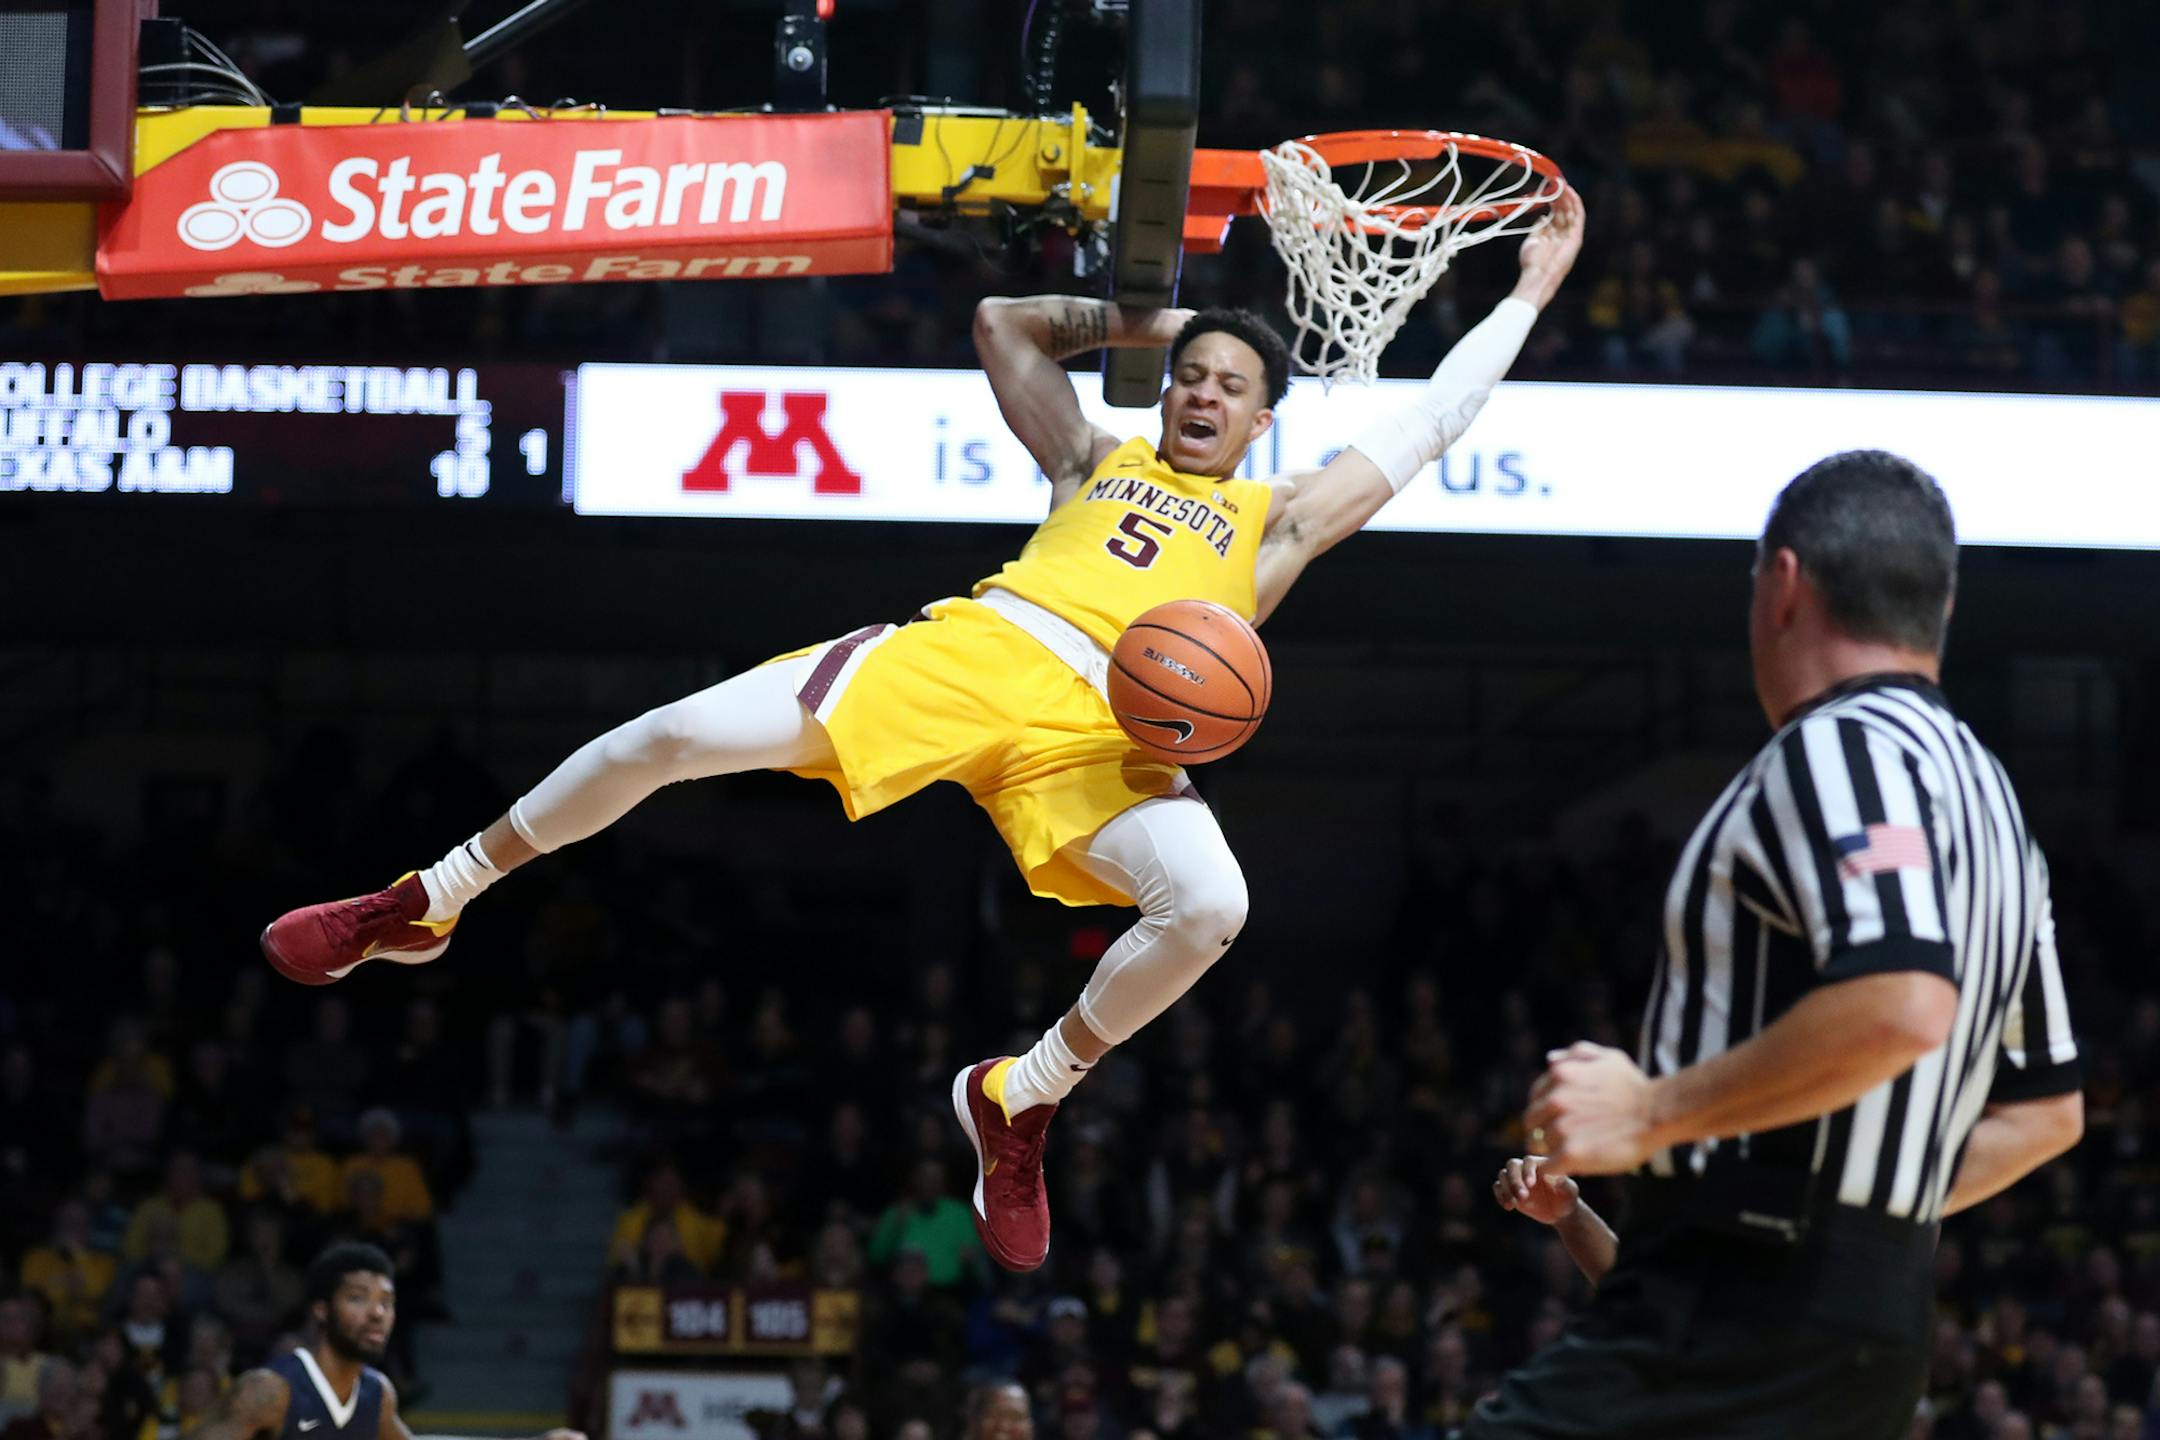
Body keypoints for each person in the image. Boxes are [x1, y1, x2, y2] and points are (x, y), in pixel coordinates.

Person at [260, 193, 1588, 1273]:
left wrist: (1527, 292)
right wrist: (1155, 312)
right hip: (976, 655)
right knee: (669, 736)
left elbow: (1430, 421)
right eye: (1188, 376)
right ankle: (428, 898)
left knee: (1213, 904)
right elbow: (1005, 321)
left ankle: (1022, 1093)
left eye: (1230, 384)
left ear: (1260, 418)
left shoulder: (1279, 524)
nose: (1200, 394)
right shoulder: (1095, 459)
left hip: (1106, 740)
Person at [1466, 451, 2086, 1439]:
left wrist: (1652, 1112)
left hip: (1737, 1307)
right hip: (1875, 1323)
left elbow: (1902, 999)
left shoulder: (1844, 746)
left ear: (1783, 585)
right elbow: (2046, 1114)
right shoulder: (1993, 806)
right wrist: (1847, 1222)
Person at [181, 1243, 581, 1440]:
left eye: (386, 1302)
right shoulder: (269, 1391)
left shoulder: (376, 1394)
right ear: (321, 1310)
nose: (377, 1313)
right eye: (358, 1298)